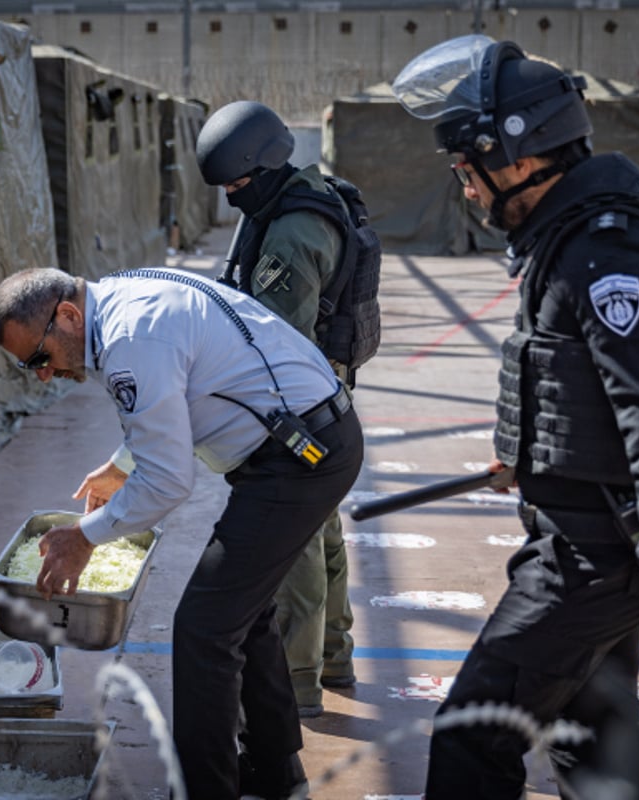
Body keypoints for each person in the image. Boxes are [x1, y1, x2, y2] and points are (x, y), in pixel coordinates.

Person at [392, 35, 639, 798]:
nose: (465, 189)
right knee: (590, 742)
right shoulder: (576, 237)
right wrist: (532, 457)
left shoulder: (606, 251)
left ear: (520, 157)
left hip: (594, 555)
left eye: (467, 170)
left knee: (472, 736)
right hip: (589, 533)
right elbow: (581, 382)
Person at [0, 266, 364, 800]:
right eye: (30, 367)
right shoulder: (121, 300)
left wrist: (84, 537)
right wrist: (122, 464)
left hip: (302, 458)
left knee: (203, 628)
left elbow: (167, 482)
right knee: (241, 611)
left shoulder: (128, 340)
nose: (43, 374)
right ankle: (276, 771)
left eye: (39, 358)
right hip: (302, 440)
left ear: (67, 316)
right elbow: (173, 396)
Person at [194, 100, 361, 717]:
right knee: (326, 528)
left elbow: (273, 344)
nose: (235, 196)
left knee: (294, 542)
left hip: (297, 409)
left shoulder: (290, 236)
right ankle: (336, 657)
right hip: (326, 395)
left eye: (239, 183)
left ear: (264, 165)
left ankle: (296, 683)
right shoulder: (297, 196)